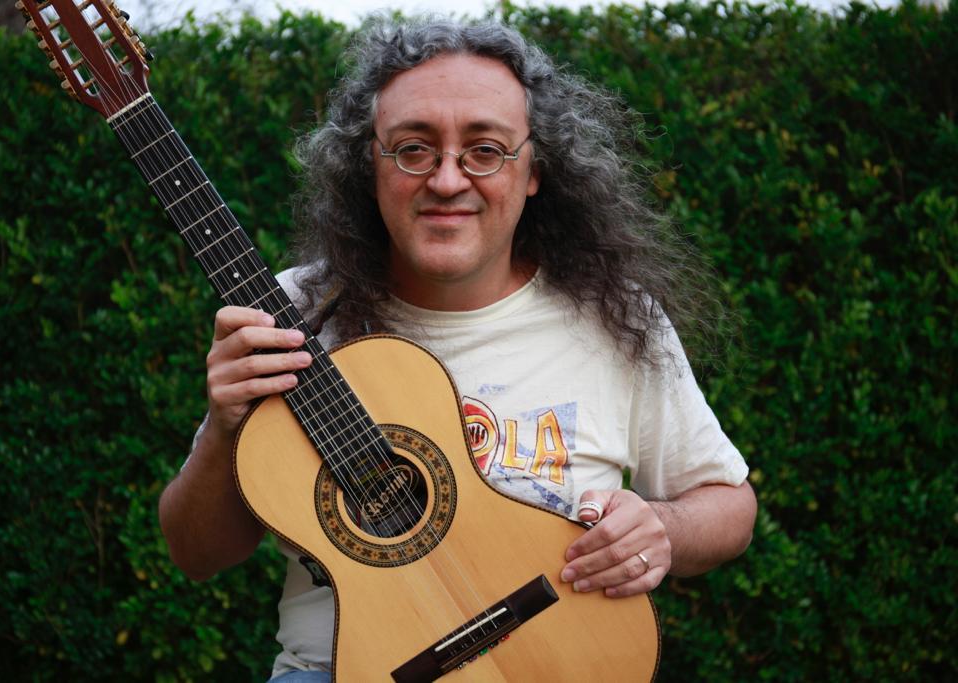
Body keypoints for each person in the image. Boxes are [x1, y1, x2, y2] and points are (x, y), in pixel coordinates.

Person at [159, 16, 757, 682]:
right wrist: (225, 426)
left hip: (552, 664)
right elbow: (196, 553)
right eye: (413, 149)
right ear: (369, 164)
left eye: (485, 150)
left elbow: (728, 503)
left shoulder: (613, 317)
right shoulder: (292, 315)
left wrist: (662, 528)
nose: (447, 180)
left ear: (534, 168)